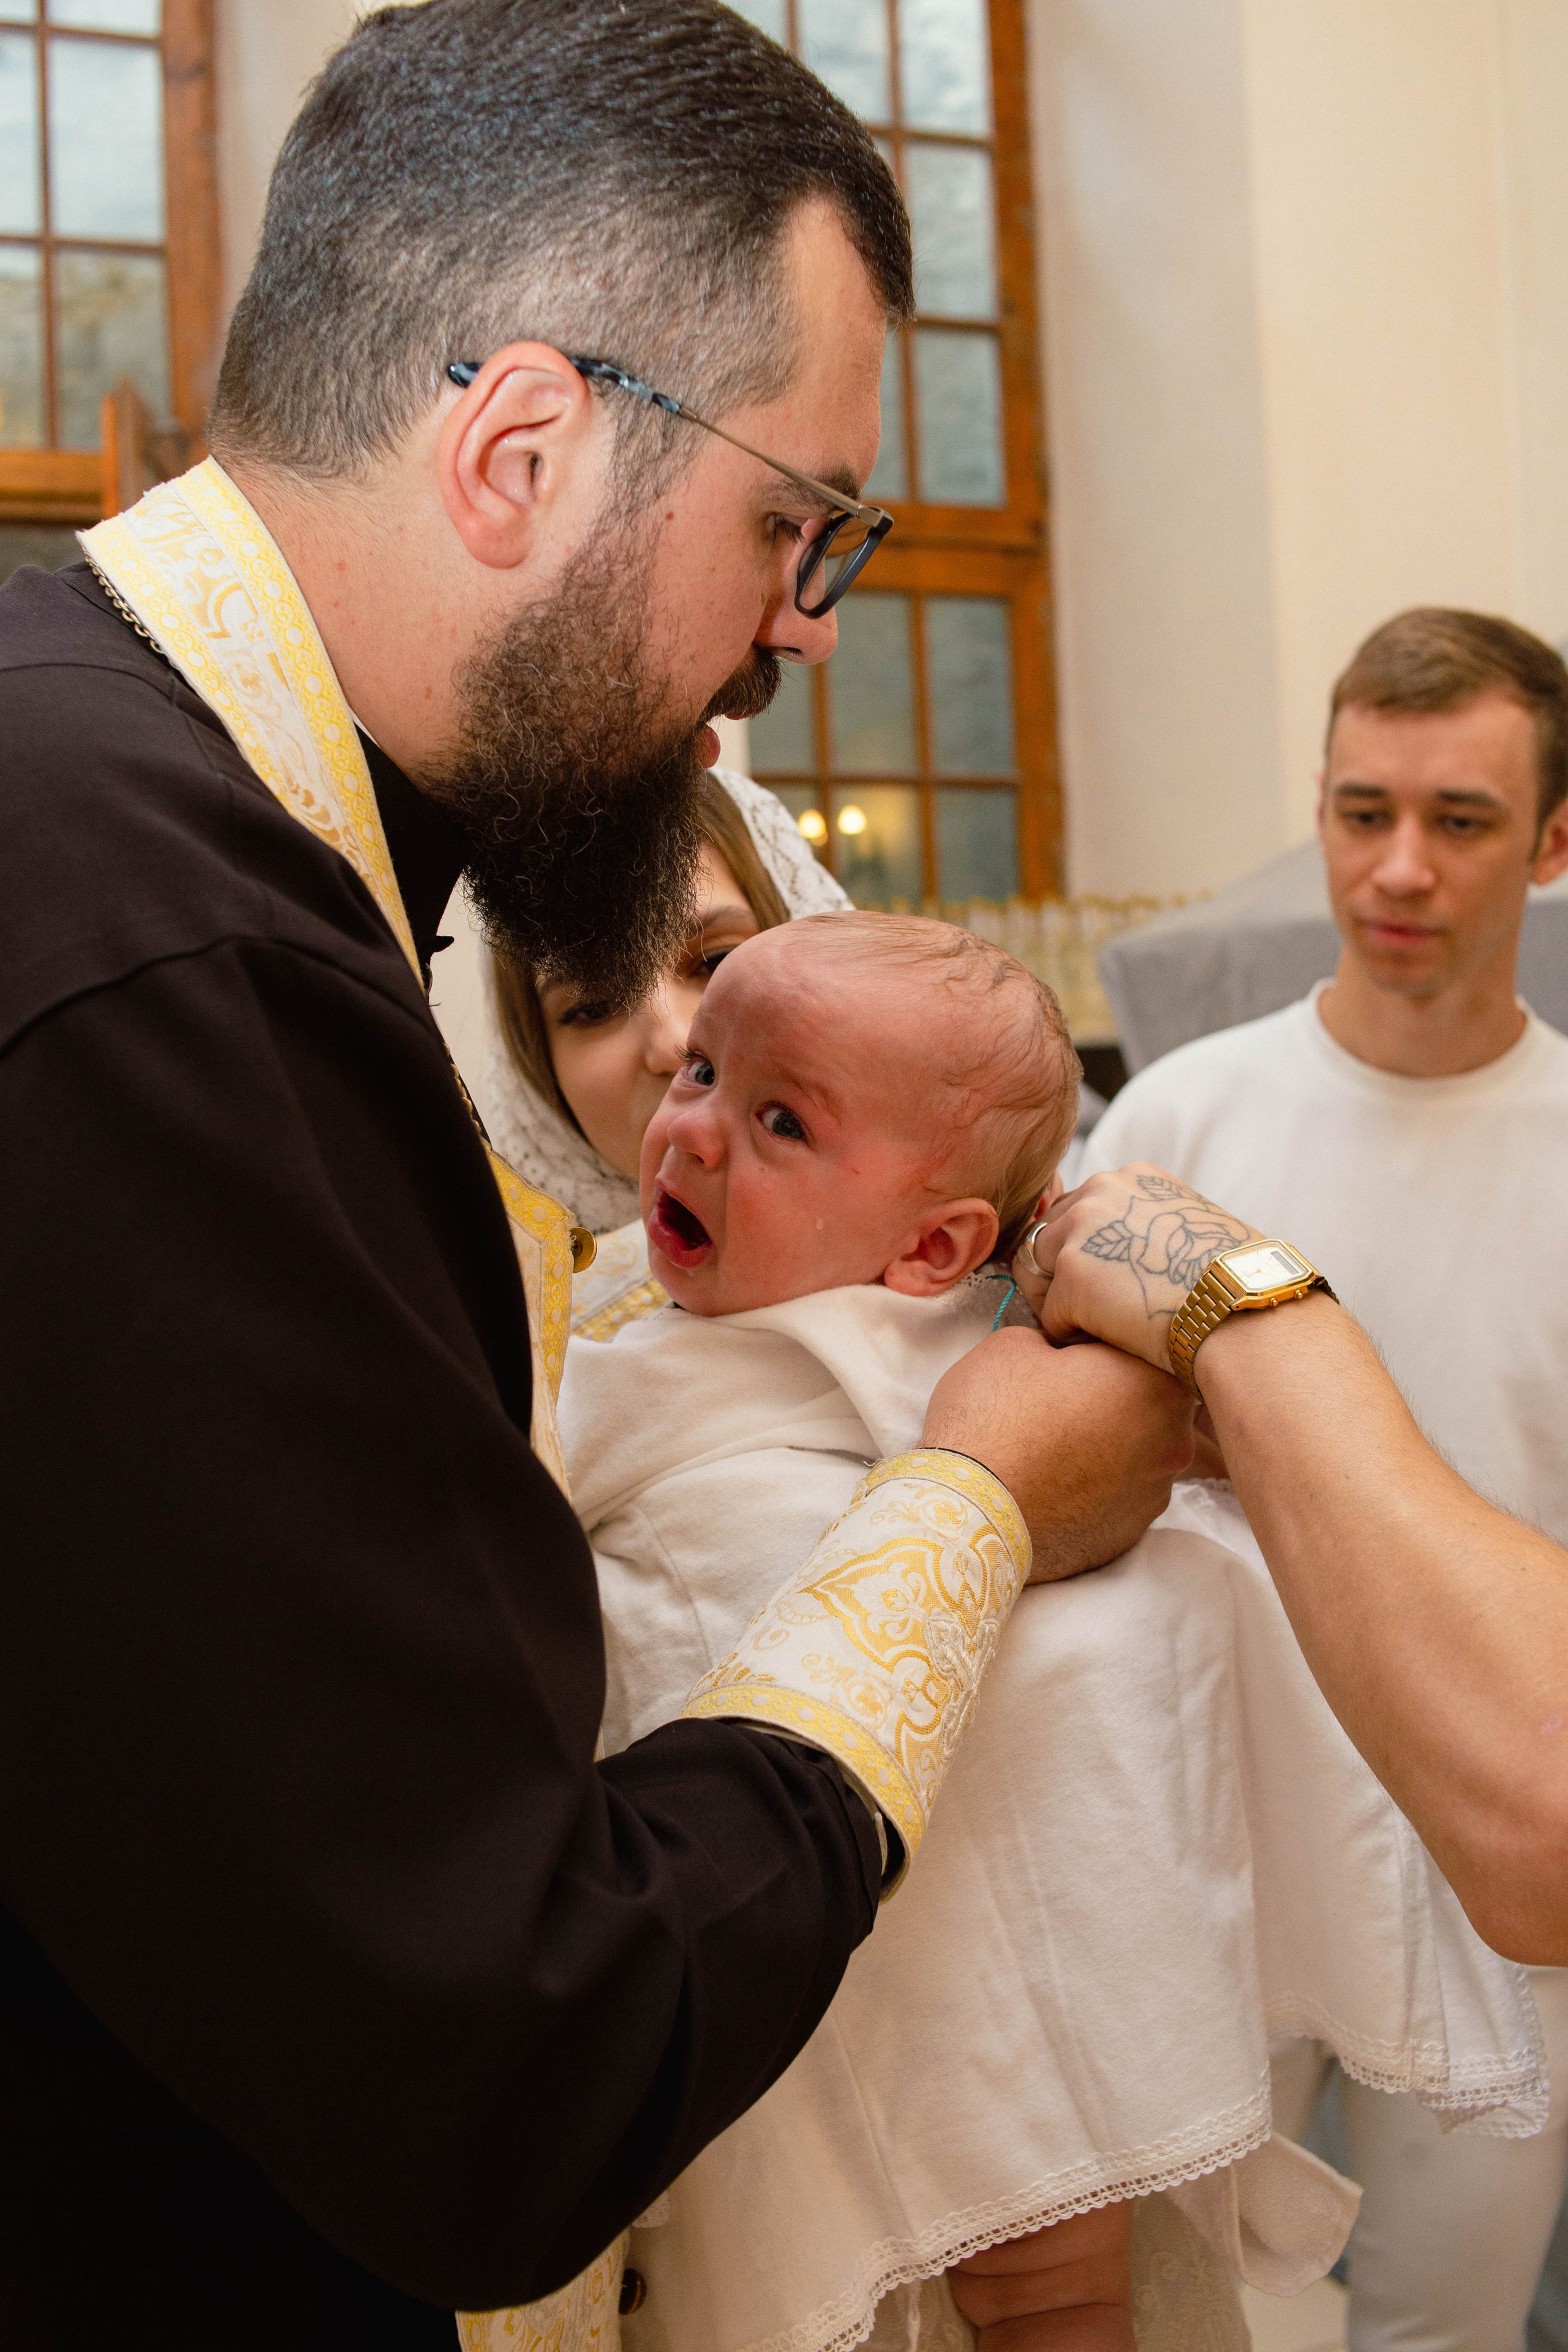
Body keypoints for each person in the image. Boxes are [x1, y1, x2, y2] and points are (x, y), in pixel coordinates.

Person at [0, 4, 1193, 2345]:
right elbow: (498, 2060)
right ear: (523, 447)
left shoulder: (123, 790)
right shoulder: (176, 961)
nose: (803, 627)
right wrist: (965, 1506)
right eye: (796, 519)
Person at [497, 914, 1537, 2352]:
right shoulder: (630, 1314)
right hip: (804, 1897)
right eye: (702, 1076)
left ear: (935, 1245)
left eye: (781, 1117)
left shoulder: (1005, 1364)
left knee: (1047, 2264)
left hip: (1007, 1893)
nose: (696, 1131)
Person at [1074, 609, 1568, 2352]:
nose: (1401, 868)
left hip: (1495, 1854)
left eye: (1462, 819)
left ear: (1558, 840)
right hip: (1215, 1822)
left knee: (1450, 2325)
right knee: (1195, 2312)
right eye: (1362, 813)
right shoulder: (1175, 1128)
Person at [483, 764, 848, 1336]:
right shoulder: (497, 1345)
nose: (675, 1041)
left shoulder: (989, 1234)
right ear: (539, 1078)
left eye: (716, 962)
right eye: (594, 1006)